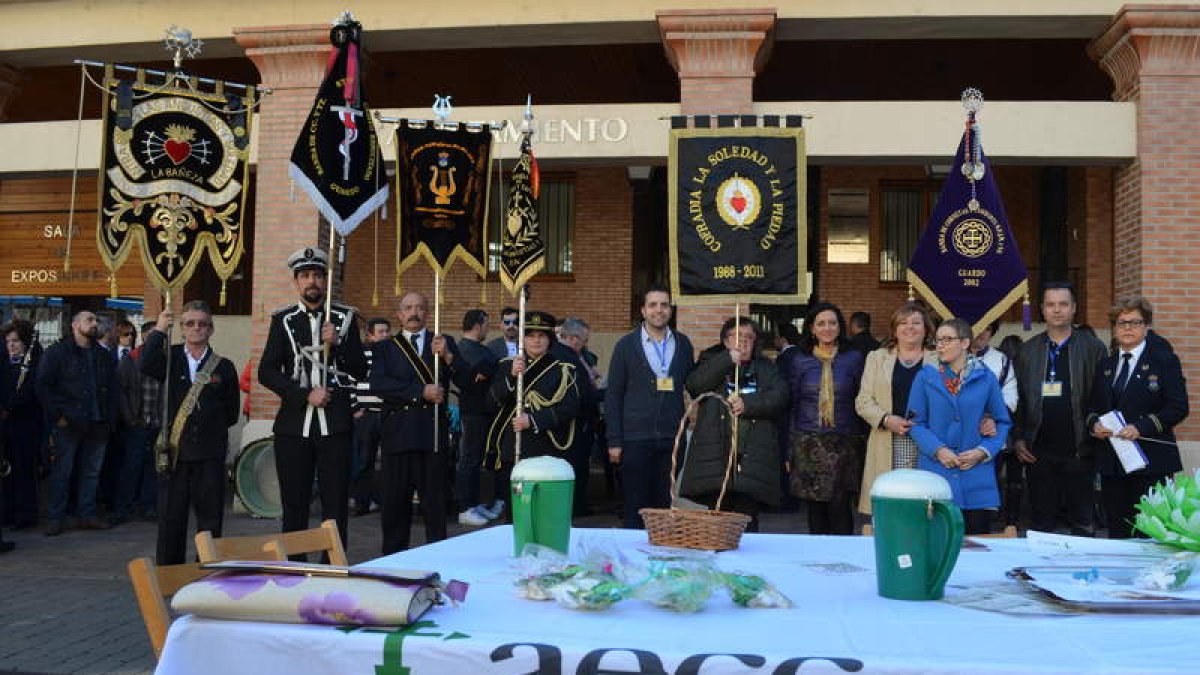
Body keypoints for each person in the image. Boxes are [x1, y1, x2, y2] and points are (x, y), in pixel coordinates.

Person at [259, 247, 367, 551]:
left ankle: (332, 565)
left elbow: (359, 370)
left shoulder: (344, 318)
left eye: (318, 275)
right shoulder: (283, 320)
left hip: (335, 426)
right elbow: (266, 372)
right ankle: (295, 566)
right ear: (296, 282)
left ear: (325, 281)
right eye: (305, 276)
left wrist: (340, 343)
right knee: (294, 504)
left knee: (335, 505)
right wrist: (305, 394)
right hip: (294, 427)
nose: (312, 282)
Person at [141, 302, 239, 565]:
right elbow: (145, 362)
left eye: (202, 323)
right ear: (182, 329)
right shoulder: (170, 358)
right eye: (189, 323)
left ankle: (207, 572)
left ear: (211, 329)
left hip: (209, 454)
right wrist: (161, 328)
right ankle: (170, 573)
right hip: (175, 453)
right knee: (171, 518)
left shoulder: (224, 366)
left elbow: (231, 412)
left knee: (210, 521)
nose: (196, 328)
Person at [1087, 296, 1189, 538]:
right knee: (1118, 534)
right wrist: (1094, 426)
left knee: (1149, 535)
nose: (1128, 328)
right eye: (1121, 323)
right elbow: (1092, 407)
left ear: (1146, 326)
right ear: (1114, 328)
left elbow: (1178, 407)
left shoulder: (1164, 361)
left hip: (1151, 463)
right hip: (1114, 463)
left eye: (1135, 322)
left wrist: (1141, 427)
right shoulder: (1106, 365)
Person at [1012, 281, 1106, 536]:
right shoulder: (1027, 351)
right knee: (1042, 526)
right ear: (1042, 309)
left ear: (1074, 308)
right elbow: (1018, 399)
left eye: (1063, 304)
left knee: (1083, 525)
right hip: (1038, 452)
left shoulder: (1093, 348)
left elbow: (1102, 398)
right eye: (1051, 304)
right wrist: (1019, 438)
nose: (1057, 310)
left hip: (1080, 450)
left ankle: (1085, 575)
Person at [369, 292, 459, 554]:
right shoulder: (386, 347)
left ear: (428, 312)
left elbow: (465, 378)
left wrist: (448, 358)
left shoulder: (442, 342)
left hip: (431, 433)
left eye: (420, 307)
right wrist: (420, 391)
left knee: (435, 505)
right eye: (408, 308)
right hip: (398, 433)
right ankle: (394, 562)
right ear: (399, 315)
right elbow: (379, 384)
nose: (414, 312)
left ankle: (438, 559)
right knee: (395, 505)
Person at [908, 318, 1012, 534]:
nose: (940, 345)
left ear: (965, 343)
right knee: (936, 544)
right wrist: (938, 450)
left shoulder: (986, 377)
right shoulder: (925, 377)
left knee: (976, 548)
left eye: (947, 339)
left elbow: (1002, 422)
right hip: (936, 473)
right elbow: (915, 423)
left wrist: (983, 452)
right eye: (938, 340)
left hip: (976, 476)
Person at [682, 317, 786, 531]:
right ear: (725, 340)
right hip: (716, 457)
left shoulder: (766, 367)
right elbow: (695, 386)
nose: (744, 342)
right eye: (737, 336)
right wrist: (726, 361)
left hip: (750, 459)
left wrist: (749, 404)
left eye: (749, 337)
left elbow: (780, 397)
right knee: (716, 524)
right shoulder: (710, 361)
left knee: (747, 523)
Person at [606, 285, 695, 529]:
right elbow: (613, 394)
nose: (659, 310)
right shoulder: (626, 346)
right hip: (635, 439)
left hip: (671, 439)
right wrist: (614, 440)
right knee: (635, 507)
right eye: (653, 305)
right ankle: (634, 561)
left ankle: (660, 559)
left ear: (671, 310)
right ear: (643, 311)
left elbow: (695, 383)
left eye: (664, 305)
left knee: (664, 507)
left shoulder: (684, 344)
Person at [36, 309, 120, 535]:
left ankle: (87, 513)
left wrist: (110, 418)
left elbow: (113, 388)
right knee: (62, 471)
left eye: (95, 320)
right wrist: (58, 416)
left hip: (98, 421)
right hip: (69, 421)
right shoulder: (58, 353)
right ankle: (56, 517)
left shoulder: (103, 355)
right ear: (75, 325)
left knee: (92, 472)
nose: (94, 324)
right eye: (89, 320)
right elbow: (43, 385)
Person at [787, 302, 867, 535]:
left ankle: (844, 563)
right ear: (812, 328)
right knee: (815, 510)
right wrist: (789, 449)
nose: (827, 328)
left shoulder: (854, 358)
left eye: (832, 323)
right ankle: (818, 564)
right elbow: (792, 404)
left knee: (841, 508)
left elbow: (861, 400)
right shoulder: (799, 359)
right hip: (808, 441)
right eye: (821, 323)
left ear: (840, 327)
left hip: (844, 442)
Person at [485, 311, 580, 501]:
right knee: (517, 503)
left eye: (541, 336)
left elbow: (570, 408)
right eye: (530, 335)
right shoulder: (506, 366)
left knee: (543, 504)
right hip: (513, 449)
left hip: (545, 449)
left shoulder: (562, 370)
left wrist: (534, 420)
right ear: (523, 339)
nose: (536, 341)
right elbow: (491, 402)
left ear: (549, 340)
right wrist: (512, 376)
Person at [855, 302, 939, 515]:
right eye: (903, 322)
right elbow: (863, 401)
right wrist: (886, 419)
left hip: (929, 440)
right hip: (888, 439)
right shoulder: (876, 358)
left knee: (924, 501)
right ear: (894, 329)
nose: (909, 327)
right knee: (892, 499)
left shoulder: (940, 359)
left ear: (926, 329)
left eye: (916, 323)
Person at [453, 309, 502, 526]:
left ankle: (474, 502)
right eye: (486, 323)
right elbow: (477, 375)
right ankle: (465, 507)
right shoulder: (464, 349)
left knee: (478, 458)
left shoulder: (480, 349)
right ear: (477, 325)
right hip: (473, 412)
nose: (488, 328)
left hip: (484, 412)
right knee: (469, 459)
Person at [112, 321, 160, 525]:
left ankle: (148, 506)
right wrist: (130, 418)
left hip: (157, 422)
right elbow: (121, 391)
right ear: (143, 337)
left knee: (153, 467)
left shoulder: (164, 360)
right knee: (131, 466)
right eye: (150, 336)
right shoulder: (130, 359)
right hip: (137, 422)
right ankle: (122, 508)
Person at [556, 317, 601, 517]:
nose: (585, 344)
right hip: (574, 426)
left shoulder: (570, 355)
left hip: (577, 423)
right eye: (584, 340)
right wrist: (608, 392)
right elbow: (583, 394)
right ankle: (576, 507)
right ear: (574, 339)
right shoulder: (567, 358)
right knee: (577, 467)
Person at [1, 320, 42, 530]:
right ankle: (7, 512)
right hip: (5, 426)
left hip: (24, 423)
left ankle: (25, 514)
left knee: (24, 469)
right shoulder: (4, 364)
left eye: (15, 341)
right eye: (8, 341)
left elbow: (31, 392)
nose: (11, 345)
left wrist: (10, 407)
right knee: (6, 471)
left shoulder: (32, 364)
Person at [350, 317, 390, 517]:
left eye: (387, 331)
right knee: (364, 461)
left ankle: (386, 501)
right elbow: (349, 379)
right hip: (365, 416)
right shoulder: (360, 354)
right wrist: (355, 408)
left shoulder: (393, 354)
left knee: (389, 461)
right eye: (381, 332)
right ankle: (362, 503)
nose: (385, 335)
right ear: (370, 334)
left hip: (387, 415)